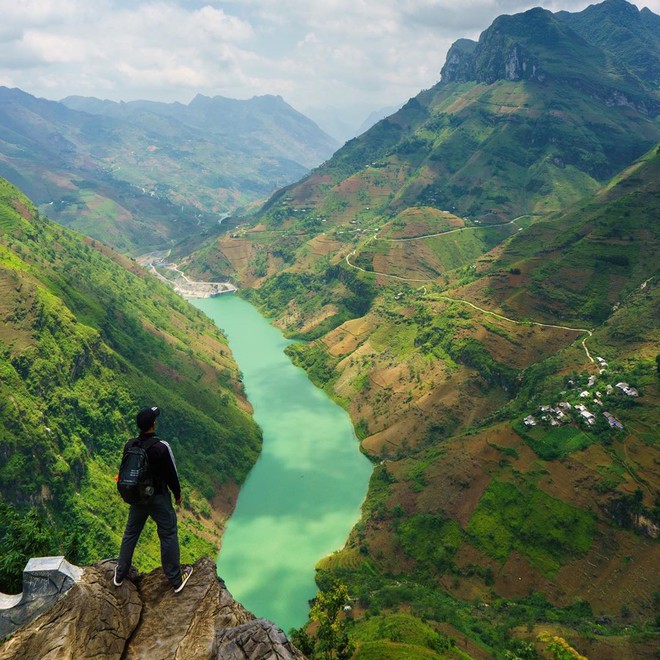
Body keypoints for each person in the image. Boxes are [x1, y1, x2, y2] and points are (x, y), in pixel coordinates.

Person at [114, 406, 193, 593]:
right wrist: (177, 494)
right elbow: (171, 473)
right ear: (153, 424)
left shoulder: (130, 445)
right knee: (168, 533)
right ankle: (176, 579)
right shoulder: (161, 447)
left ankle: (119, 574)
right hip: (158, 498)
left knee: (131, 533)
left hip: (137, 498)